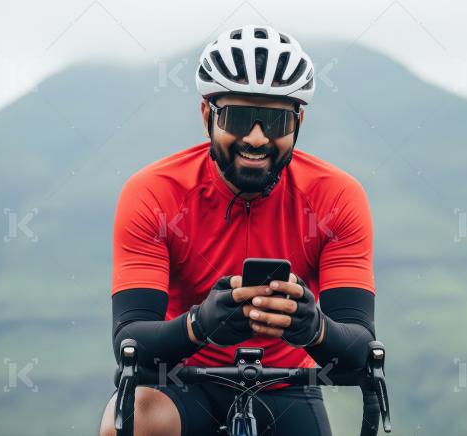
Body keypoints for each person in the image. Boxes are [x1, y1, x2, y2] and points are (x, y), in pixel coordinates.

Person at [99, 24, 376, 436]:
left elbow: (361, 350)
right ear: (207, 114)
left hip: (286, 385)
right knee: (129, 421)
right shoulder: (153, 193)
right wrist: (199, 324)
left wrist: (314, 328)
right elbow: (130, 344)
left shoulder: (337, 196)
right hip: (181, 382)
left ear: (299, 121)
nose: (256, 138)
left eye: (276, 121)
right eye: (240, 117)